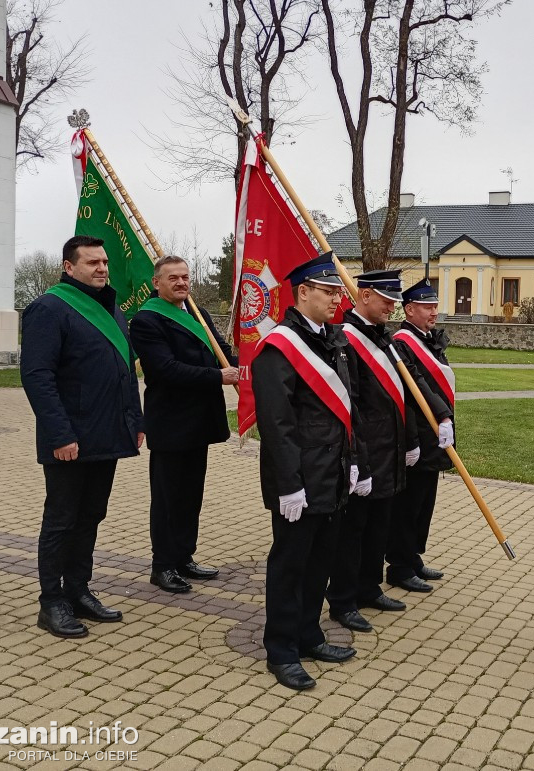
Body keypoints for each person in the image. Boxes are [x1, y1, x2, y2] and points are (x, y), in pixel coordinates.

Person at [21, 235, 144, 639]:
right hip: (69, 438)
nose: (102, 269)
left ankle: (77, 590)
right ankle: (51, 602)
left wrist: (136, 421)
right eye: (92, 263)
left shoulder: (112, 309)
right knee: (61, 520)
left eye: (104, 262)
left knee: (91, 515)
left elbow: (125, 370)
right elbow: (37, 376)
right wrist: (59, 433)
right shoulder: (49, 308)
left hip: (106, 434)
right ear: (68, 267)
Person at [252, 253, 361, 691]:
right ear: (302, 292)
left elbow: (347, 409)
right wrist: (289, 485)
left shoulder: (332, 339)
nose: (338, 297)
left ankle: (309, 634)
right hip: (299, 478)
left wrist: (353, 462)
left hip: (332, 472)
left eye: (338, 290)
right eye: (329, 290)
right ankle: (280, 650)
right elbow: (277, 425)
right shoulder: (279, 345)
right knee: (290, 566)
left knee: (321, 563)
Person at [326, 270, 453, 633]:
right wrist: (357, 459)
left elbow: (404, 394)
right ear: (364, 296)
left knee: (378, 527)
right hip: (366, 450)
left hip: (390, 449)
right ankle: (343, 600)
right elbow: (350, 406)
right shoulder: (347, 339)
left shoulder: (381, 338)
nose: (392, 306)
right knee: (354, 531)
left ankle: (369, 588)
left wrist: (412, 439)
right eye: (386, 300)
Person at [130, 255, 239, 594]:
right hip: (170, 424)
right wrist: (217, 376)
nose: (181, 283)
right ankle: (162, 565)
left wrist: (248, 362)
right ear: (156, 283)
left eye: (185, 277)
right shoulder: (146, 320)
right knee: (167, 498)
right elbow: (164, 370)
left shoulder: (197, 314)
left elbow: (223, 352)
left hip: (200, 422)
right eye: (173, 277)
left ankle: (184, 557)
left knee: (191, 495)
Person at [387, 278, 455, 592]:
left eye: (435, 306)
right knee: (409, 504)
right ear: (409, 309)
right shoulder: (402, 342)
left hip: (433, 435)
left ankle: (412, 557)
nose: (433, 312)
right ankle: (399, 566)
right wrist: (425, 429)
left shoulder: (426, 338)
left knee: (425, 502)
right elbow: (411, 391)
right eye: (427, 307)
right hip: (416, 434)